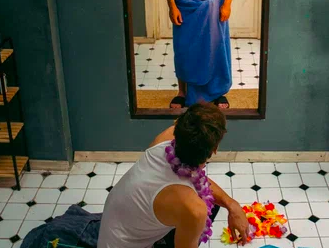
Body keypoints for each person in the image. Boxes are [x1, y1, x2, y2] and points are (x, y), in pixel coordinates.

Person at [97, 103, 249, 248]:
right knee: (202, 213)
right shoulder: (194, 209)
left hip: (119, 228)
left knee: (209, 202)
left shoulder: (166, 138)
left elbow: (197, 178)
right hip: (121, 243)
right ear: (214, 149)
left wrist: (232, 205)